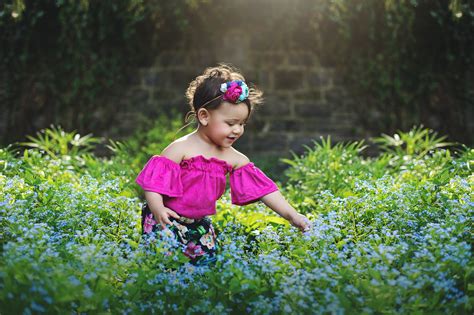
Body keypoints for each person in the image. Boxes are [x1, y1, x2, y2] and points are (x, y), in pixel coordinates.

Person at [135, 64, 311, 266]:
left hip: (199, 225)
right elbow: (154, 184)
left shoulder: (234, 158)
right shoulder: (181, 148)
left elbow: (266, 192)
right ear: (204, 116)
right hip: (166, 219)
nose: (237, 130)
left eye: (242, 124)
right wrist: (158, 209)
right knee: (164, 268)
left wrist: (293, 216)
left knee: (204, 271)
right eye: (230, 123)